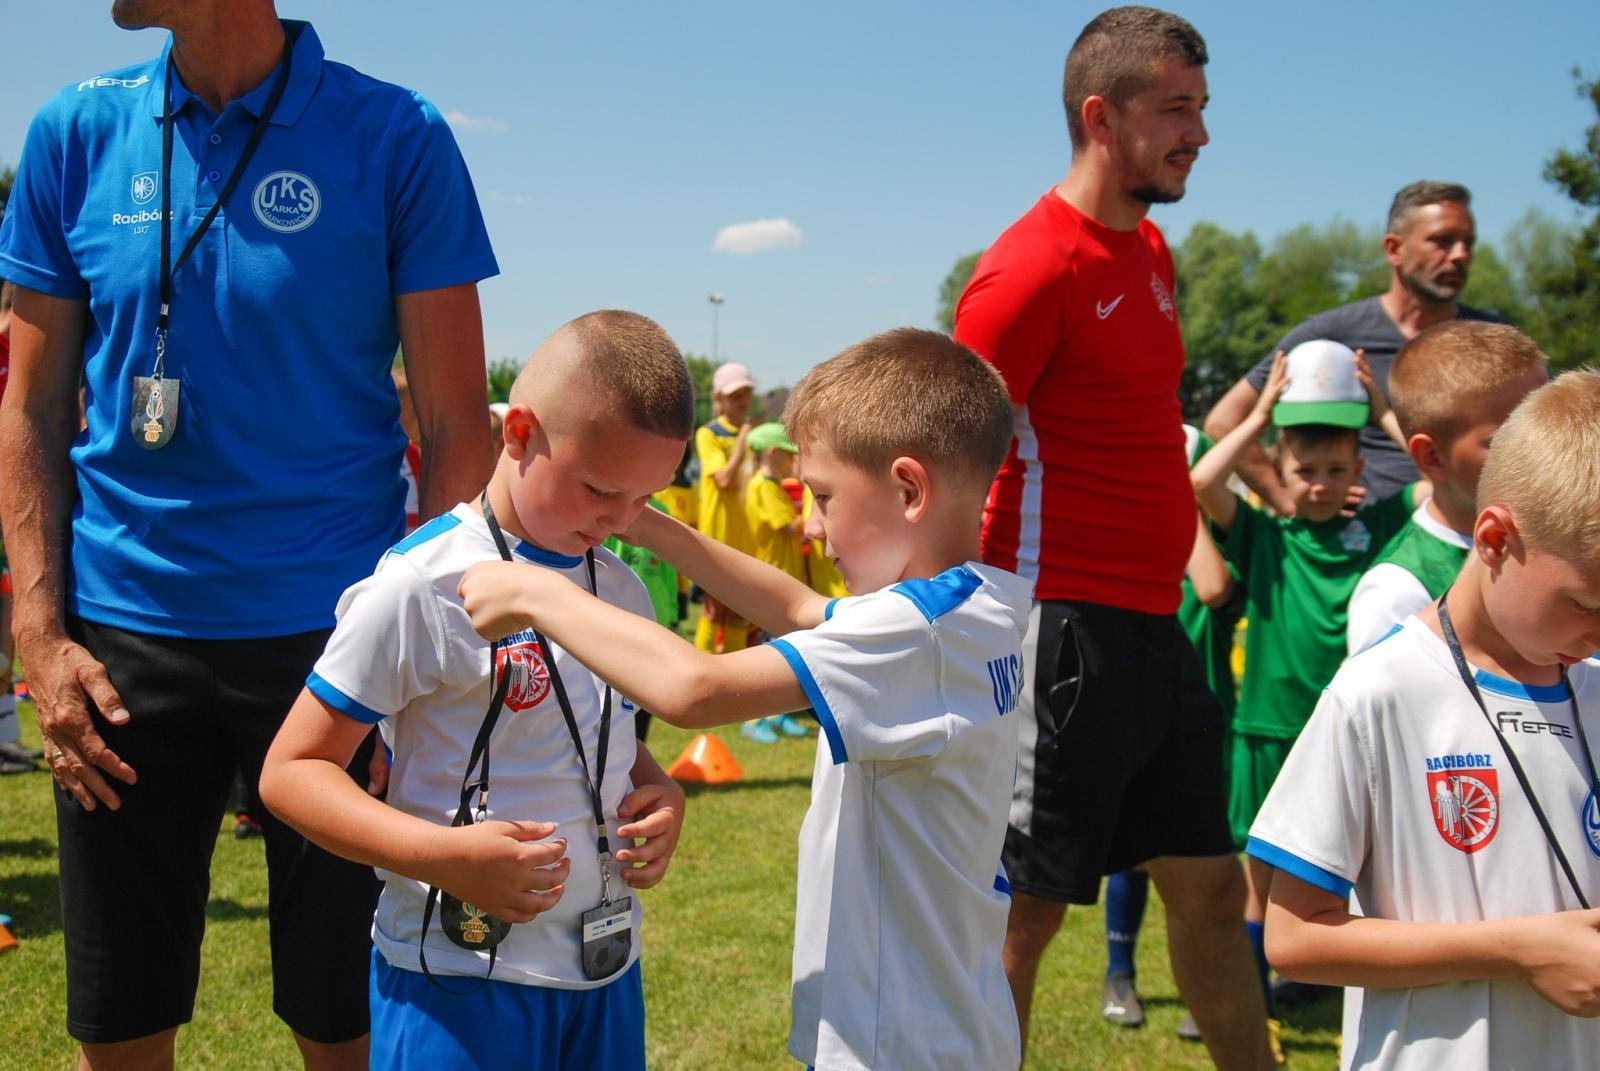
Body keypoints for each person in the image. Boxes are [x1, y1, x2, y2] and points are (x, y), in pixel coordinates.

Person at [0, 3, 498, 1066]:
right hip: (119, 644)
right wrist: (38, 633)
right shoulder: (73, 131)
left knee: (345, 1018)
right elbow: (30, 409)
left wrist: (417, 640)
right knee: (119, 1021)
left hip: (338, 641)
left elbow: (459, 423)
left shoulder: (395, 134)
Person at [460, 328, 1031, 1071]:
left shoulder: (914, 633)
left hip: (899, 1039)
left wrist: (535, 592)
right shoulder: (975, 607)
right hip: (954, 1017)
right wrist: (644, 520)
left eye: (823, 496)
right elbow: (797, 608)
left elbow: (693, 690)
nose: (811, 525)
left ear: (908, 490)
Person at [951, 8, 1273, 1066]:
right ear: (1101, 117)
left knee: (1212, 887)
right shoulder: (1027, 270)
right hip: (1055, 630)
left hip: (1151, 626)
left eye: (1201, 108)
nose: (1200, 134)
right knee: (1024, 913)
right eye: (1176, 109)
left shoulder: (1150, 251)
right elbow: (950, 463)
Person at [261, 311, 689, 1071]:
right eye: (600, 489)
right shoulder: (419, 584)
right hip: (457, 977)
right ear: (519, 433)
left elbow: (601, 734)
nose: (620, 519)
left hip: (603, 971)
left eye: (644, 498)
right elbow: (291, 772)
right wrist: (444, 857)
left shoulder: (620, 587)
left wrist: (657, 791)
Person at [1248, 369, 1600, 1071]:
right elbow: (1294, 937)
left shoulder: (1591, 684)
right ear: (1494, 539)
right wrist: (1518, 950)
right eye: (1586, 604)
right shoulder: (1378, 692)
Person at [1192, 342, 1415, 1046]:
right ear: (1280, 474)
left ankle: (1364, 1010)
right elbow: (1202, 479)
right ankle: (1255, 1009)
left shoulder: (1377, 530)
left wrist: (1380, 410)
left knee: (1362, 881)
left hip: (1351, 735)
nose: (1320, 484)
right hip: (1269, 728)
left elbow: (1437, 480)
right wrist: (1260, 414)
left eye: (1336, 471)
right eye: (1305, 472)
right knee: (1258, 885)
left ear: (1359, 472)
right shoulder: (1266, 535)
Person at [1204, 181, 1501, 514]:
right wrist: (1289, 501)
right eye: (1442, 241)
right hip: (1365, 537)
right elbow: (1223, 422)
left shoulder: (1493, 341)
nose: (1460, 255)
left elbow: (1538, 438)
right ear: (1394, 248)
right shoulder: (1331, 335)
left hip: (1466, 532)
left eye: (1468, 243)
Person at [1102, 424, 1243, 1032]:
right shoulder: (1125, 544)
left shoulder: (1215, 544)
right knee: (1133, 855)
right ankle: (1119, 973)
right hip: (1135, 706)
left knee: (1200, 865)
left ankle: (1202, 992)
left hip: (1201, 715)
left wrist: (1179, 498)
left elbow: (1211, 587)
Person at [1346, 321, 1549, 654]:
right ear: (1432, 458)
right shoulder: (1399, 594)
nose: (1542, 451)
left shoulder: (1566, 534)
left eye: (1546, 428)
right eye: (1506, 440)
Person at [742, 421, 810, 743]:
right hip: (773, 576)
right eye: (787, 454)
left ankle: (779, 715)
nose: (791, 461)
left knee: (785, 647)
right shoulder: (764, 486)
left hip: (783, 574)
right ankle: (755, 719)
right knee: (771, 652)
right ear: (772, 453)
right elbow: (788, 526)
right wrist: (814, 502)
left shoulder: (773, 485)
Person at [694, 361, 758, 655]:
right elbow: (723, 479)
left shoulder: (754, 436)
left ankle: (733, 672)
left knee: (740, 613)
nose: (743, 400)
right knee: (714, 609)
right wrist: (743, 439)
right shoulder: (708, 433)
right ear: (718, 397)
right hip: (717, 535)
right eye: (735, 395)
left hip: (749, 537)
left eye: (746, 393)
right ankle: (701, 665)